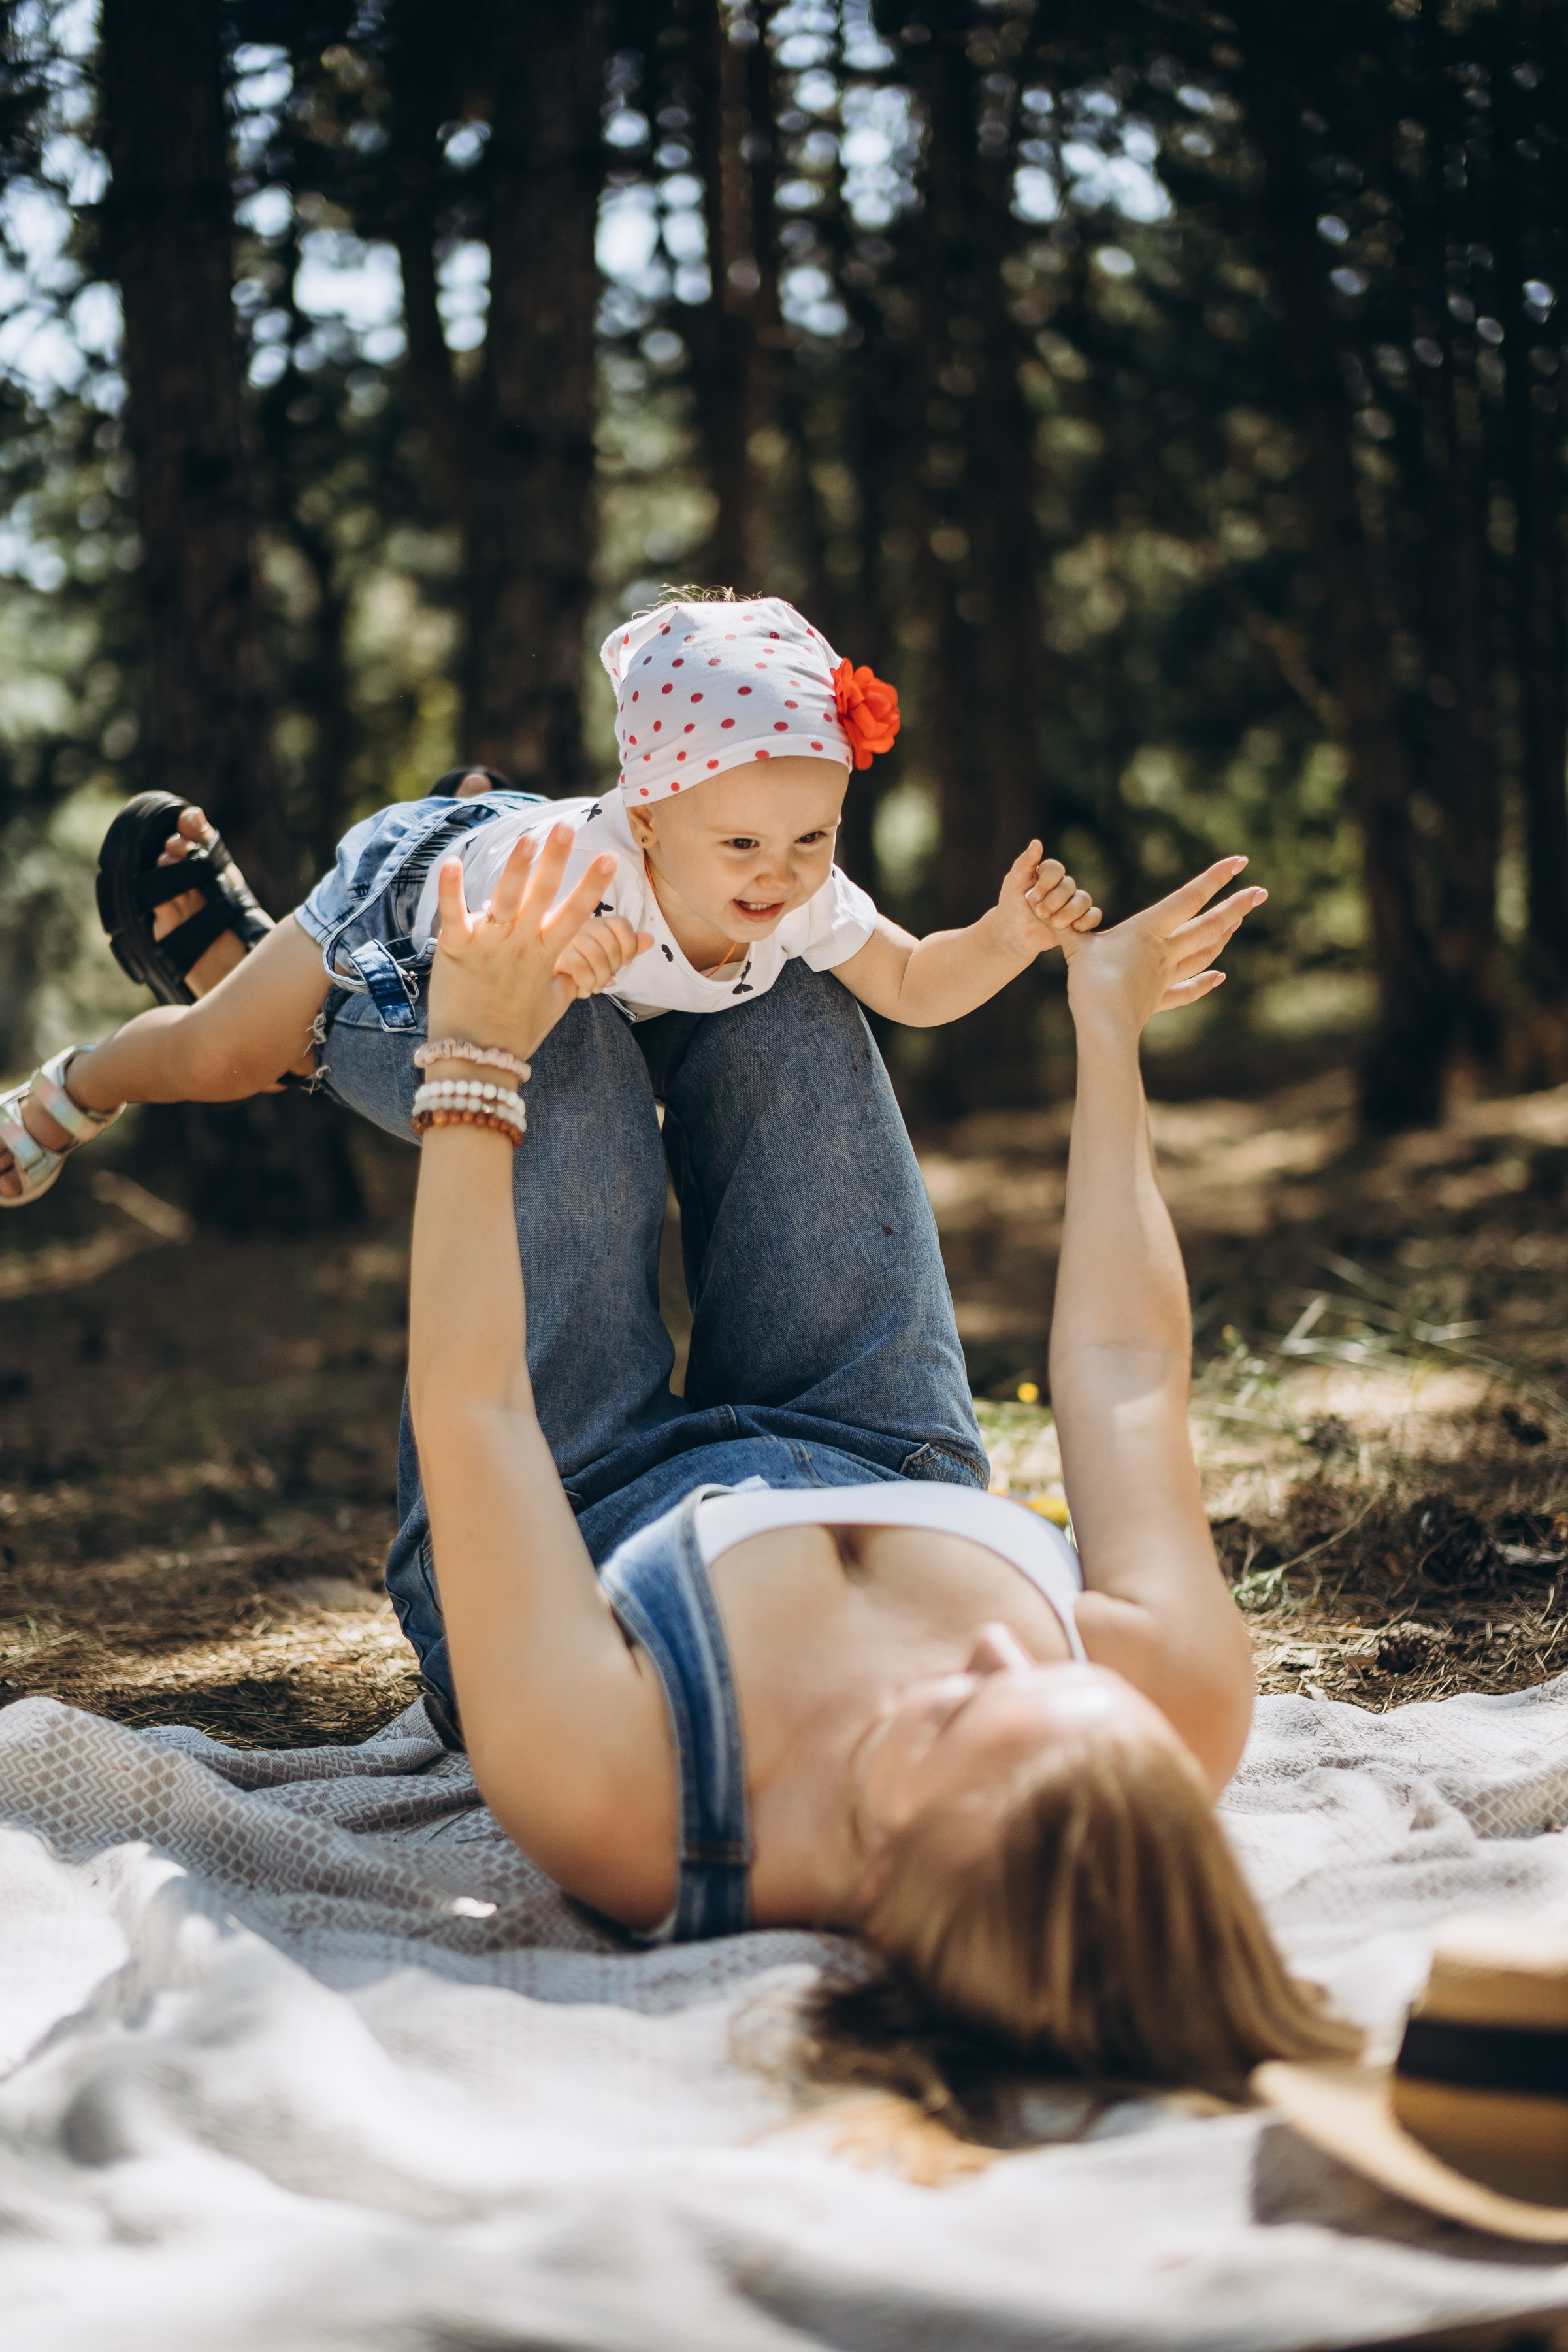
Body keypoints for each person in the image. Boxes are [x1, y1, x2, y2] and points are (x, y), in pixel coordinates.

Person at [384, 817, 1356, 2159]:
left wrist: (471, 1060)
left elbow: (473, 1409)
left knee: (568, 1031)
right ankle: (512, 833)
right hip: (876, 1435)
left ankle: (322, 948)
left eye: (966, 1708)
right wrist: (1110, 1027)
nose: (1004, 1649)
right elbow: (1128, 1371)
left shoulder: (631, 1807)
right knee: (776, 984)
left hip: (570, 1484)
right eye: (1052, 1672)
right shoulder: (1165, 1714)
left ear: (882, 1893)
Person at [0, 593, 1100, 1204]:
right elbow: (493, 1034)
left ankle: (487, 808)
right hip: (410, 907)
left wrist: (1009, 938)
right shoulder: (599, 886)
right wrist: (557, 982)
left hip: (536, 842)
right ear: (650, 817)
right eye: (744, 843)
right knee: (225, 1057)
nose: (780, 872)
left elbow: (909, 983)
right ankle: (70, 1091)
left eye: (815, 836)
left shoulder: (795, 886)